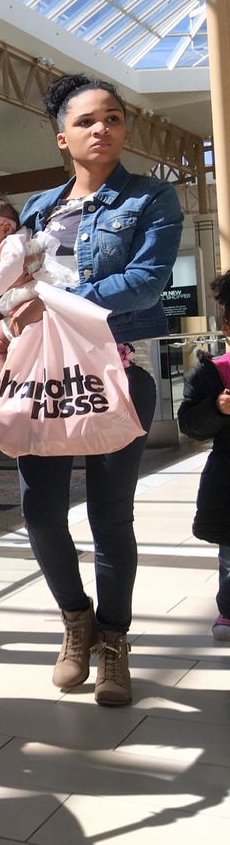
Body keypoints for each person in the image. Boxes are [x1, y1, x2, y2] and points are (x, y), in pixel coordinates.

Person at [14, 73, 182, 706]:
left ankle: (114, 641)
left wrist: (53, 301)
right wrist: (5, 321)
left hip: (118, 369)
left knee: (111, 514)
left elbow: (146, 280)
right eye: (86, 121)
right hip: (41, 375)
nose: (101, 129)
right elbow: (9, 282)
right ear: (63, 138)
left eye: (111, 118)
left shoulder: (151, 198)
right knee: (40, 510)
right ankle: (75, 624)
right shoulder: (37, 210)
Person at [0, 195, 73, 372]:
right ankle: (11, 386)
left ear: (5, 229)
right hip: (26, 298)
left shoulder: (12, 244)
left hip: (38, 296)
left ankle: (16, 386)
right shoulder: (2, 248)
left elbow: (12, 265)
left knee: (9, 347)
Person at [176, 272, 230, 642]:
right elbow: (191, 424)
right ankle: (228, 610)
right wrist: (218, 408)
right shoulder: (214, 371)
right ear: (227, 325)